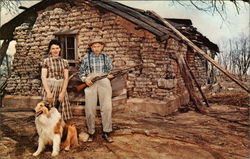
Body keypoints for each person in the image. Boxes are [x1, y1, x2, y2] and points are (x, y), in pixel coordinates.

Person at [79, 37, 114, 143]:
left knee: (107, 108)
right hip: (91, 83)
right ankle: (91, 132)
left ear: (102, 47)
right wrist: (85, 80)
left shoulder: (106, 57)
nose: (96, 48)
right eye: (94, 46)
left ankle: (107, 132)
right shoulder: (86, 58)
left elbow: (110, 71)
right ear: (91, 47)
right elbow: (81, 73)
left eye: (98, 46)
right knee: (90, 109)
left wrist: (109, 76)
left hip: (104, 82)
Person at [41, 39, 72, 120]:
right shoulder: (46, 61)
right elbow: (43, 77)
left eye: (57, 48)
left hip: (61, 87)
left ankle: (59, 130)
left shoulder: (64, 62)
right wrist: (48, 93)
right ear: (50, 50)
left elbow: (66, 78)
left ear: (60, 49)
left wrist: (62, 93)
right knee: (48, 111)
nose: (55, 50)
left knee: (60, 113)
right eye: (53, 48)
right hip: (50, 87)